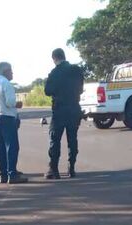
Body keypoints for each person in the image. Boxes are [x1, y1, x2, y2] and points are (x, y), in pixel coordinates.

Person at [43, 48, 84, 179]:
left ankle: (54, 169)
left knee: (55, 139)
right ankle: (71, 168)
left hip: (60, 109)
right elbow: (81, 89)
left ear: (54, 58)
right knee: (72, 139)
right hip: (74, 108)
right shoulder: (76, 70)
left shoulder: (55, 72)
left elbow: (47, 90)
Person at [0, 62, 27, 184]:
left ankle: (3, 174)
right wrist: (18, 104)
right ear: (5, 71)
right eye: (11, 70)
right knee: (12, 146)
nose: (12, 73)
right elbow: (10, 102)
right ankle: (12, 174)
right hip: (6, 118)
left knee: (1, 148)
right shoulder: (6, 84)